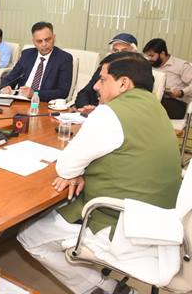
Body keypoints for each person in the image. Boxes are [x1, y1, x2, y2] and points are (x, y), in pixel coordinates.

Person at [17, 52, 182, 294]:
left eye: (103, 80)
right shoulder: (157, 109)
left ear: (123, 83)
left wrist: (77, 170)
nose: (96, 85)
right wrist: (81, 170)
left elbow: (65, 167)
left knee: (28, 235)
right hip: (161, 220)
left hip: (122, 223)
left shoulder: (109, 114)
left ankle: (103, 288)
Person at [0, 21, 72, 101]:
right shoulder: (27, 55)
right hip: (20, 100)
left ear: (54, 38)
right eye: (39, 41)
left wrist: (34, 93)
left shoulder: (64, 59)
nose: (44, 44)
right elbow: (9, 79)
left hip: (43, 103)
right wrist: (6, 87)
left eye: (47, 39)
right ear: (34, 42)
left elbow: (63, 92)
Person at [75, 33, 138, 112]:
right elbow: (85, 92)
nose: (119, 54)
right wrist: (85, 106)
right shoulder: (104, 68)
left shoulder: (139, 73)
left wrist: (99, 111)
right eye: (115, 51)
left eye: (124, 51)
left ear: (134, 53)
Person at [143, 38, 192, 119]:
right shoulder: (150, 65)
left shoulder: (181, 65)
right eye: (147, 55)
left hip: (176, 103)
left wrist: (181, 92)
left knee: (147, 106)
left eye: (151, 55)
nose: (149, 58)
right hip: (154, 98)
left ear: (162, 54)